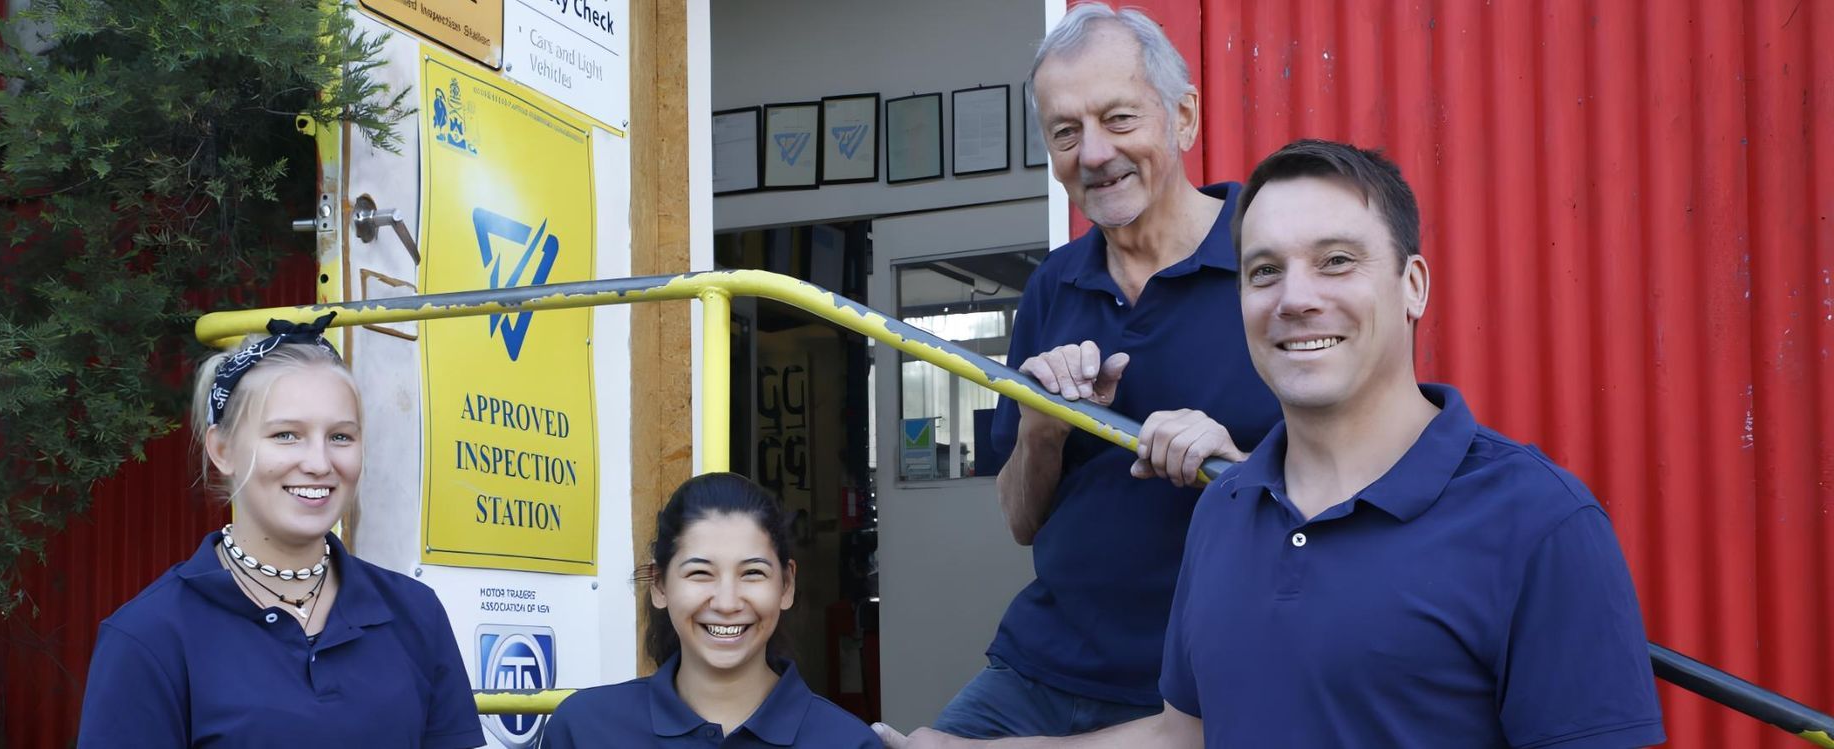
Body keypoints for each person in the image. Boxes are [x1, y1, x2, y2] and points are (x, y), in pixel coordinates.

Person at [882, 141, 1666, 748]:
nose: (1296, 298)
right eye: (1264, 271)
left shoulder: (1538, 524)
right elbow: (1179, 735)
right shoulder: (1225, 507)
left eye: (1336, 261)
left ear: (1414, 285)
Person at [930, 2, 1282, 739]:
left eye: (1119, 119)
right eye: (1066, 132)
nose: (1092, 153)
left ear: (1182, 118)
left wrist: (1236, 465)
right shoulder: (1053, 287)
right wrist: (1042, 428)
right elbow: (1023, 521)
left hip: (1214, 679)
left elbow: (1357, 491)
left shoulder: (1275, 260)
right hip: (1041, 670)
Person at [77, 315, 483, 749]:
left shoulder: (413, 613)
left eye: (341, 437)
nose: (319, 462)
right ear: (223, 449)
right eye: (287, 435)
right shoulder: (151, 634)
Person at [538, 473, 880, 748]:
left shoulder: (847, 741)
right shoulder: (584, 730)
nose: (727, 603)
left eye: (752, 573)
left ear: (786, 586)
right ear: (659, 585)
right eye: (700, 573)